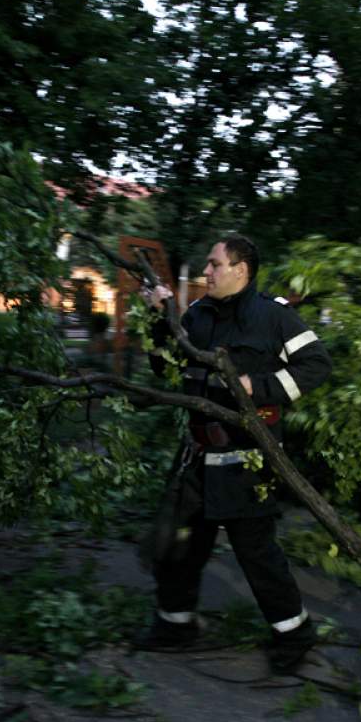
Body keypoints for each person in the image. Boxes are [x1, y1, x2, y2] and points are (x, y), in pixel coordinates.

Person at [136, 236, 332, 674]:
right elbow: (164, 367)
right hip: (198, 453)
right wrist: (159, 319)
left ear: (241, 269)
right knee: (182, 542)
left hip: (249, 457)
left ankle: (293, 634)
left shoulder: (274, 317)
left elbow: (317, 364)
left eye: (214, 265)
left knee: (256, 552)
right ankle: (175, 625)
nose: (206, 272)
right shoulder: (198, 315)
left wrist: (255, 387)